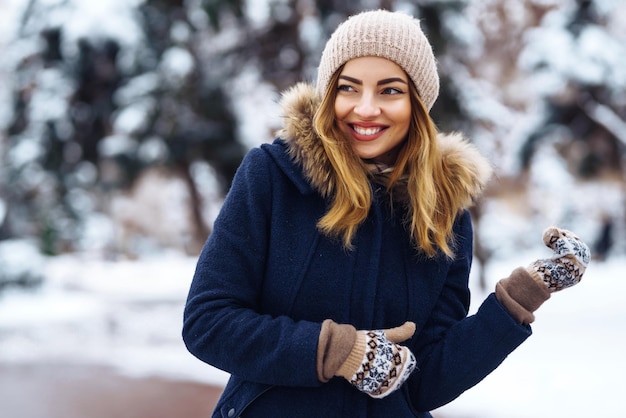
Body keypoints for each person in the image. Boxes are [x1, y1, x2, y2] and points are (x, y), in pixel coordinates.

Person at [182, 9, 591, 418]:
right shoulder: (273, 177)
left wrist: (519, 299)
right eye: (348, 88)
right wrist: (336, 351)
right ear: (330, 95)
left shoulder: (444, 211)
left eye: (390, 91)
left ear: (417, 103)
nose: (366, 108)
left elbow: (424, 384)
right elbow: (208, 321)